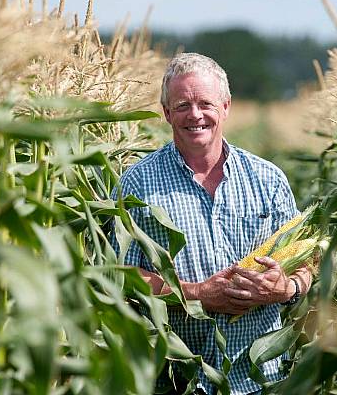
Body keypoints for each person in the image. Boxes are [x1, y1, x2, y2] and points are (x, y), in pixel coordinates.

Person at [114, 52, 313, 395]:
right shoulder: (137, 184)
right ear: (166, 113)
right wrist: (198, 294)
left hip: (260, 379)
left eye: (205, 103)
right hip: (177, 378)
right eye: (181, 106)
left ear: (225, 107)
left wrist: (287, 289)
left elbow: (307, 261)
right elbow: (123, 277)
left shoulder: (268, 179)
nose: (195, 115)